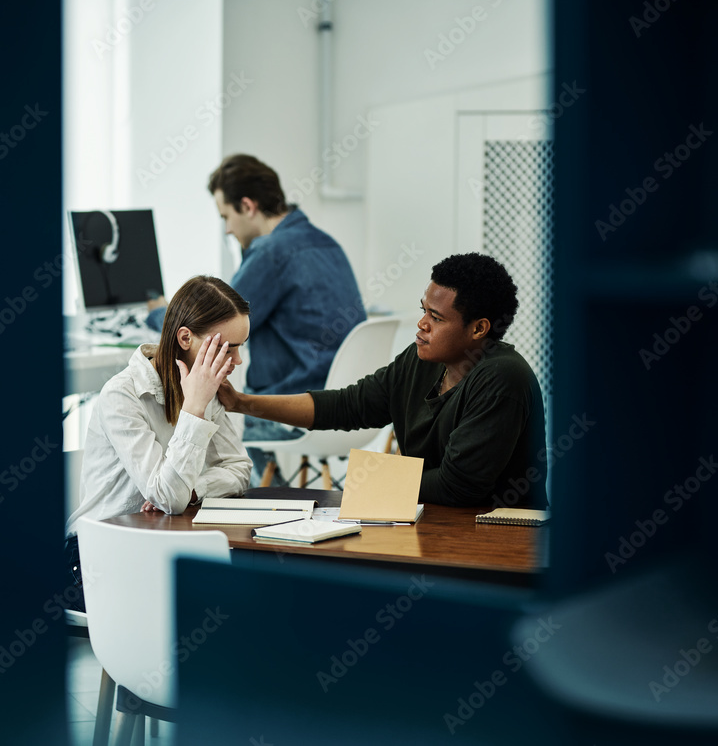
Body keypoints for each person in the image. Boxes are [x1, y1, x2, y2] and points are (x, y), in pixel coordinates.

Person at [216, 253, 548, 509]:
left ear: (478, 329)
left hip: (499, 537)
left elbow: (458, 487)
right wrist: (240, 402)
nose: (422, 324)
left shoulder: (502, 378)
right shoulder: (421, 360)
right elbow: (346, 406)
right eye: (423, 310)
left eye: (436, 317)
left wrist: (374, 478)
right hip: (433, 520)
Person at [147, 154, 366, 484]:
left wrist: (157, 312)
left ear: (248, 206)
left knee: (198, 421)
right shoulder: (325, 242)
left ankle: (254, 509)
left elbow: (212, 321)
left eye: (226, 216)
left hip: (290, 409)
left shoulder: (271, 252)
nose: (227, 229)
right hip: (346, 406)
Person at [69, 275, 252, 525]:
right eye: (227, 349)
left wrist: (193, 490)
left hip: (162, 533)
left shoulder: (206, 386)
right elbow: (169, 498)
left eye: (241, 347)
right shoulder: (121, 395)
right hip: (101, 540)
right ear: (185, 338)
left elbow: (239, 469)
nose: (238, 360)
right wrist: (194, 408)